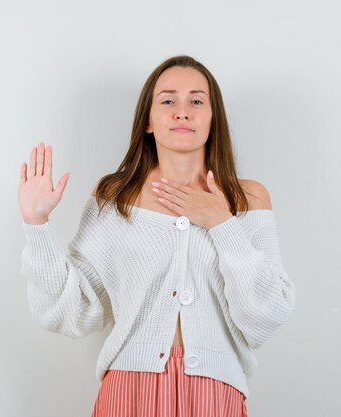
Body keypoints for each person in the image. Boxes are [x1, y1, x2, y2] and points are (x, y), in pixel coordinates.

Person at [17, 55, 296, 417]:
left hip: (216, 396)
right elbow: (77, 311)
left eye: (196, 101)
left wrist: (222, 224)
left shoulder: (248, 198)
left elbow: (266, 314)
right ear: (147, 120)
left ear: (214, 119)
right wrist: (36, 223)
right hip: (128, 393)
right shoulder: (115, 197)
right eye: (168, 100)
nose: (183, 112)